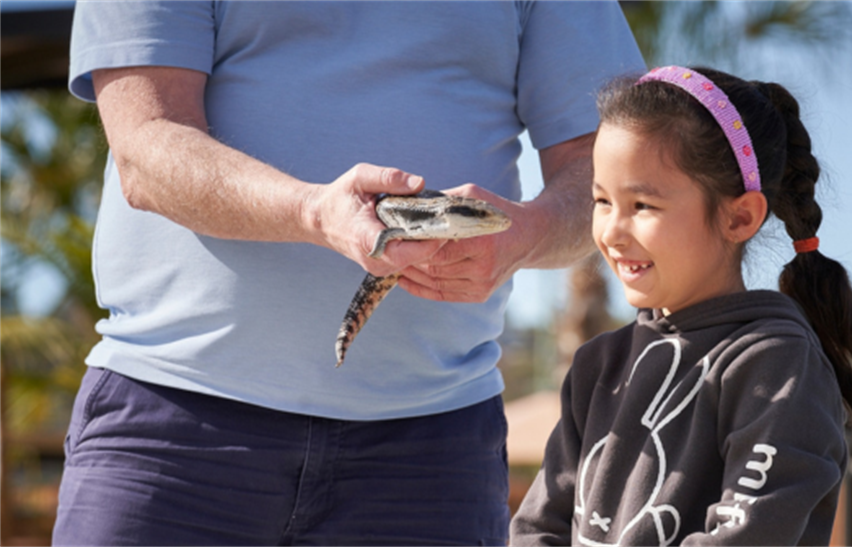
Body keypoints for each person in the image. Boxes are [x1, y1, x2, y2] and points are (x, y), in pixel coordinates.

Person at [54, 1, 644, 545]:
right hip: (172, 425)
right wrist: (315, 213)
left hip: (432, 450)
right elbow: (146, 149)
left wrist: (527, 235)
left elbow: (607, 162)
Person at [509, 66, 852, 546]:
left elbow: (749, 535)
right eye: (601, 200)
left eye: (642, 206)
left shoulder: (776, 366)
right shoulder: (598, 367)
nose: (610, 232)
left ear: (740, 216)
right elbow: (537, 528)